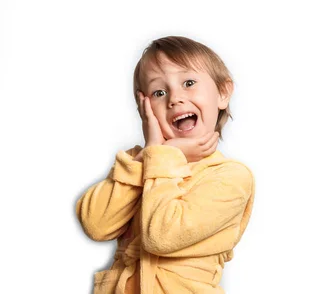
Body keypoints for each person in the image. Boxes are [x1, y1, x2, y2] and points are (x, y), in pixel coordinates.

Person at [75, 35, 255, 294]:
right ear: (143, 107)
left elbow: (162, 236)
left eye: (189, 83)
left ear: (223, 93)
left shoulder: (231, 177)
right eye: (159, 92)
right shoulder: (142, 162)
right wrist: (151, 154)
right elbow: (97, 224)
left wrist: (164, 155)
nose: (174, 99)